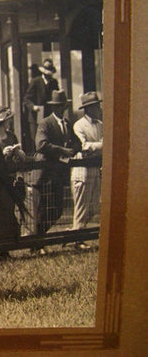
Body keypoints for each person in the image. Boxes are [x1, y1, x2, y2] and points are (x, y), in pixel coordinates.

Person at [33, 90, 81, 255]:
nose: (61, 108)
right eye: (58, 106)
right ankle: (38, 244)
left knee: (58, 209)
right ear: (53, 107)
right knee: (42, 209)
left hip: (59, 174)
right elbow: (41, 144)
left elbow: (77, 143)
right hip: (45, 174)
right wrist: (62, 150)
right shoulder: (45, 123)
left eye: (63, 106)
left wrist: (72, 150)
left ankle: (37, 239)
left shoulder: (67, 124)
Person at [0, 106, 27, 259]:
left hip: (10, 178)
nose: (9, 123)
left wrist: (18, 152)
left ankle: (5, 247)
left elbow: (21, 159)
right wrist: (2, 154)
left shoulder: (11, 136)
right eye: (7, 120)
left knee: (9, 211)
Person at [71, 91, 103, 250]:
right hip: (81, 169)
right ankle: (77, 239)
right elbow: (84, 146)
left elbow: (98, 145)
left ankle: (73, 234)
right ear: (89, 108)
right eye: (96, 106)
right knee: (81, 206)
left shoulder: (100, 125)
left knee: (94, 207)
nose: (99, 108)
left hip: (95, 168)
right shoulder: (79, 125)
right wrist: (100, 145)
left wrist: (96, 146)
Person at [23, 59, 60, 153]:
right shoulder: (35, 81)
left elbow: (56, 97)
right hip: (36, 116)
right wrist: (33, 107)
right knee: (36, 140)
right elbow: (26, 99)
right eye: (47, 72)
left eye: (50, 73)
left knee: (49, 138)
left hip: (49, 115)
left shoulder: (54, 82)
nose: (48, 75)